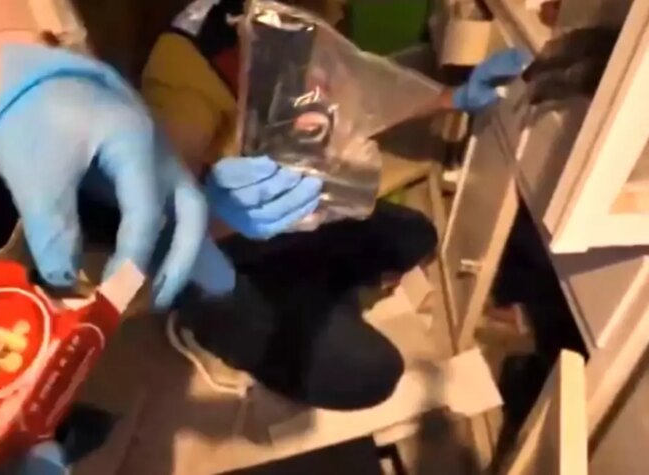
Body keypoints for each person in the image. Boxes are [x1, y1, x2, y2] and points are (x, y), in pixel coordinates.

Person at [140, 0, 530, 411]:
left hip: (282, 218)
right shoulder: (189, 63)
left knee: (416, 236)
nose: (339, 12)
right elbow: (160, 222)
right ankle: (207, 329)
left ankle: (307, 294)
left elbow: (361, 93)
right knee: (369, 372)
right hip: (213, 257)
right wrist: (219, 211)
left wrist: (453, 98)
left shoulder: (298, 21)